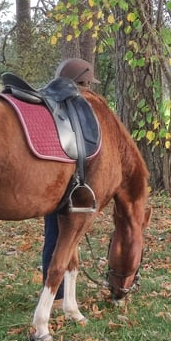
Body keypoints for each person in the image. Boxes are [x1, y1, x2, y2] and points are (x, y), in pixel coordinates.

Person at [41, 58, 100, 302]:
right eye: (88, 85)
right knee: (56, 235)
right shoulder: (77, 111)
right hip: (63, 184)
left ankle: (59, 290)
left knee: (53, 233)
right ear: (82, 83)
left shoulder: (52, 112)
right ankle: (56, 293)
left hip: (54, 182)